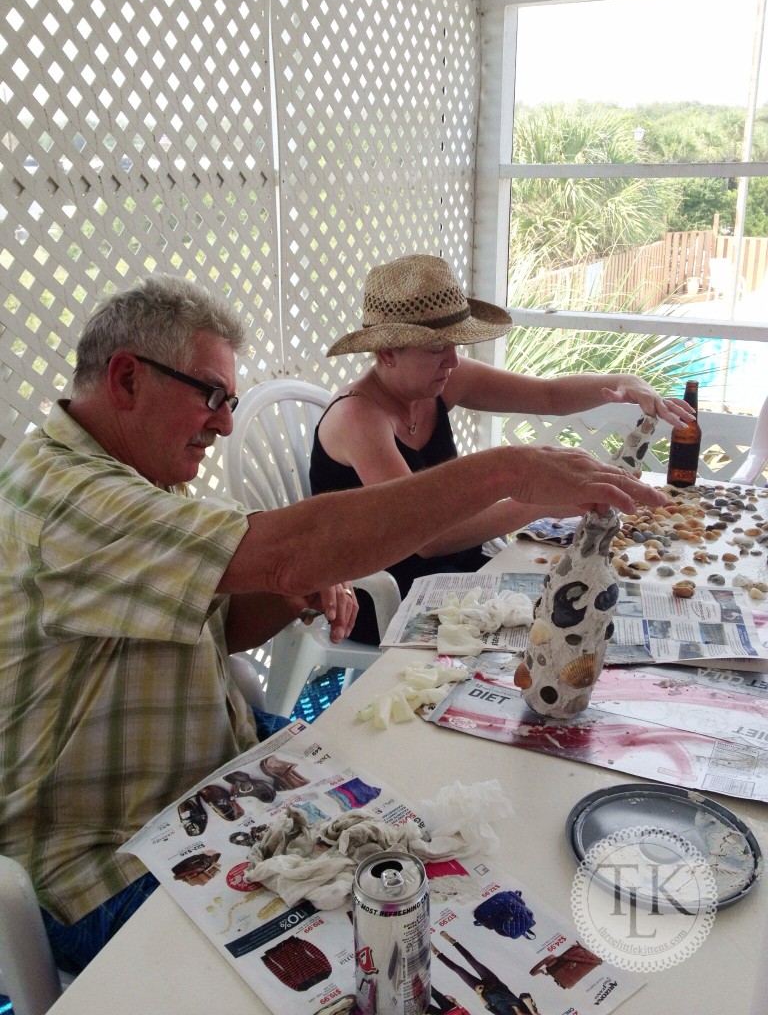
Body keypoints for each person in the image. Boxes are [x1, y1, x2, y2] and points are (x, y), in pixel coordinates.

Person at [0, 274, 665, 975]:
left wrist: (290, 593)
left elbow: (218, 631)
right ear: (128, 378)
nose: (224, 423)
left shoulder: (133, 483)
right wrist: (508, 472)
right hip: (106, 857)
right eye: (211, 396)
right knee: (382, 936)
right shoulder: (65, 496)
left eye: (230, 401)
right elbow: (287, 551)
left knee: (427, 839)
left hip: (213, 782)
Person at [310, 253, 695, 643]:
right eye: (436, 348)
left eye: (455, 344)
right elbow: (425, 539)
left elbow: (547, 396)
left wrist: (624, 382)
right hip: (383, 594)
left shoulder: (441, 381)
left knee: (592, 609)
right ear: (387, 353)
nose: (453, 359)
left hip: (462, 571)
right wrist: (536, 502)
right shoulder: (359, 418)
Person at [432, 933, 540, 1015]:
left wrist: (478, 994)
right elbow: (525, 995)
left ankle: (437, 953)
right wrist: (533, 1013)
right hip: (494, 982)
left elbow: (489, 1007)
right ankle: (453, 941)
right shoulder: (527, 1008)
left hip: (483, 991)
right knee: (472, 960)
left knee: (458, 970)